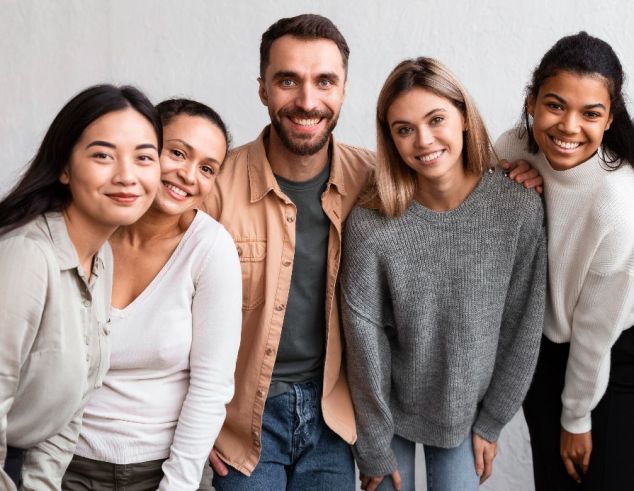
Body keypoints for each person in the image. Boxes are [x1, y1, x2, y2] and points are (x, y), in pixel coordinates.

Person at [201, 15, 541, 490]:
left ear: (343, 90)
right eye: (287, 81)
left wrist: (514, 173)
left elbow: (447, 180)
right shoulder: (218, 189)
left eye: (324, 81)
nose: (307, 100)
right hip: (246, 419)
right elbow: (173, 309)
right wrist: (198, 417)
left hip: (335, 410)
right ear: (262, 89)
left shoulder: (371, 179)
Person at [341, 57, 547, 491]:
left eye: (436, 119)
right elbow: (365, 339)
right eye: (404, 129)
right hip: (387, 412)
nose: (424, 140)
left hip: (467, 413)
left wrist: (492, 421)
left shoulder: (516, 207)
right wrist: (373, 442)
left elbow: (521, 327)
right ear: (391, 139)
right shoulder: (372, 221)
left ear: (464, 118)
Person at [495, 32, 634, 490]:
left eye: (590, 113)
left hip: (619, 348)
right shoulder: (513, 150)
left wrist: (575, 416)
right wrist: (505, 184)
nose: (569, 127)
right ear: (532, 101)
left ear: (609, 118)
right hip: (547, 348)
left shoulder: (616, 199)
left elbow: (596, 327)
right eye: (555, 105)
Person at [61, 99, 242, 490]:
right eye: (176, 153)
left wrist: (176, 484)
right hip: (60, 458)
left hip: (156, 469)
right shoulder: (86, 225)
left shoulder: (210, 249)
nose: (188, 175)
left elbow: (211, 387)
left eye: (207, 168)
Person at [0, 84, 161, 489]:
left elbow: (69, 405)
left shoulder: (100, 256)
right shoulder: (26, 256)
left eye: (144, 157)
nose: (127, 176)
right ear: (64, 167)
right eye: (103, 156)